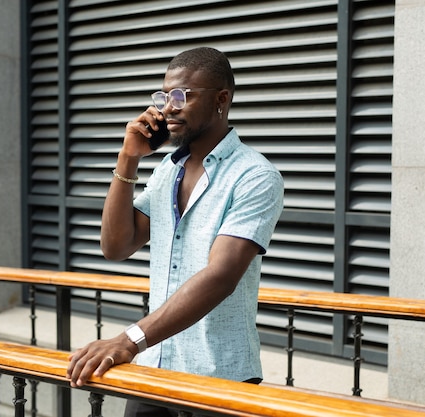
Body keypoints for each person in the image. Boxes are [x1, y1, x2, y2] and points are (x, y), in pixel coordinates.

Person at [66, 47, 284, 416]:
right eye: (165, 95)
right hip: (155, 369)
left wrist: (129, 340)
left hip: (217, 378)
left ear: (222, 99)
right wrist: (129, 157)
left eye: (183, 95)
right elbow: (116, 245)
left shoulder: (255, 176)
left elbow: (220, 276)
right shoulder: (168, 169)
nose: (169, 107)